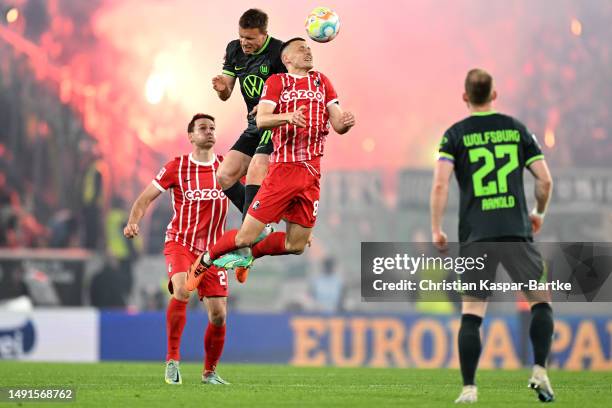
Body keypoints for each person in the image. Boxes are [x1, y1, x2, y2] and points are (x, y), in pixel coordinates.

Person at [186, 37, 355, 290]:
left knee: (295, 245)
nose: (308, 52)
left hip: (312, 174)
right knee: (245, 235)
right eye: (301, 49)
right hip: (284, 171)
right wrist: (289, 117)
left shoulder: (322, 81)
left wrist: (346, 122)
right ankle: (205, 259)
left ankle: (252, 255)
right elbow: (263, 119)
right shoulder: (278, 81)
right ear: (287, 59)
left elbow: (338, 123)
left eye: (309, 48)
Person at [430, 69, 554, 403]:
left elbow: (440, 184)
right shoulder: (515, 129)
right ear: (494, 95)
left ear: (465, 96)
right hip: (515, 230)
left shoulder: (454, 134)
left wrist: (436, 228)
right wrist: (538, 214)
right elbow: (544, 181)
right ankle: (540, 370)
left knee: (472, 313)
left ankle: (469, 388)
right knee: (541, 302)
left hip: (476, 234)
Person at [124, 114, 231, 385]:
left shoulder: (227, 167)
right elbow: (145, 198)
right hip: (181, 243)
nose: (209, 132)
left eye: (212, 128)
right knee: (183, 289)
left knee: (218, 315)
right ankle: (172, 360)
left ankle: (210, 373)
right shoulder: (177, 167)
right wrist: (133, 222)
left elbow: (249, 196)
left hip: (214, 252)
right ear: (191, 136)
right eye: (202, 128)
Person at [212, 8, 286, 218]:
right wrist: (222, 89)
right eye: (241, 36)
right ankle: (261, 219)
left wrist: (267, 106)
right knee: (225, 175)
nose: (244, 42)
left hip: (276, 127)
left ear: (264, 34)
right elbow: (226, 93)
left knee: (256, 169)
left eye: (250, 38)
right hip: (254, 126)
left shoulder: (279, 52)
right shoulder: (234, 50)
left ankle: (254, 226)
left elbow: (291, 92)